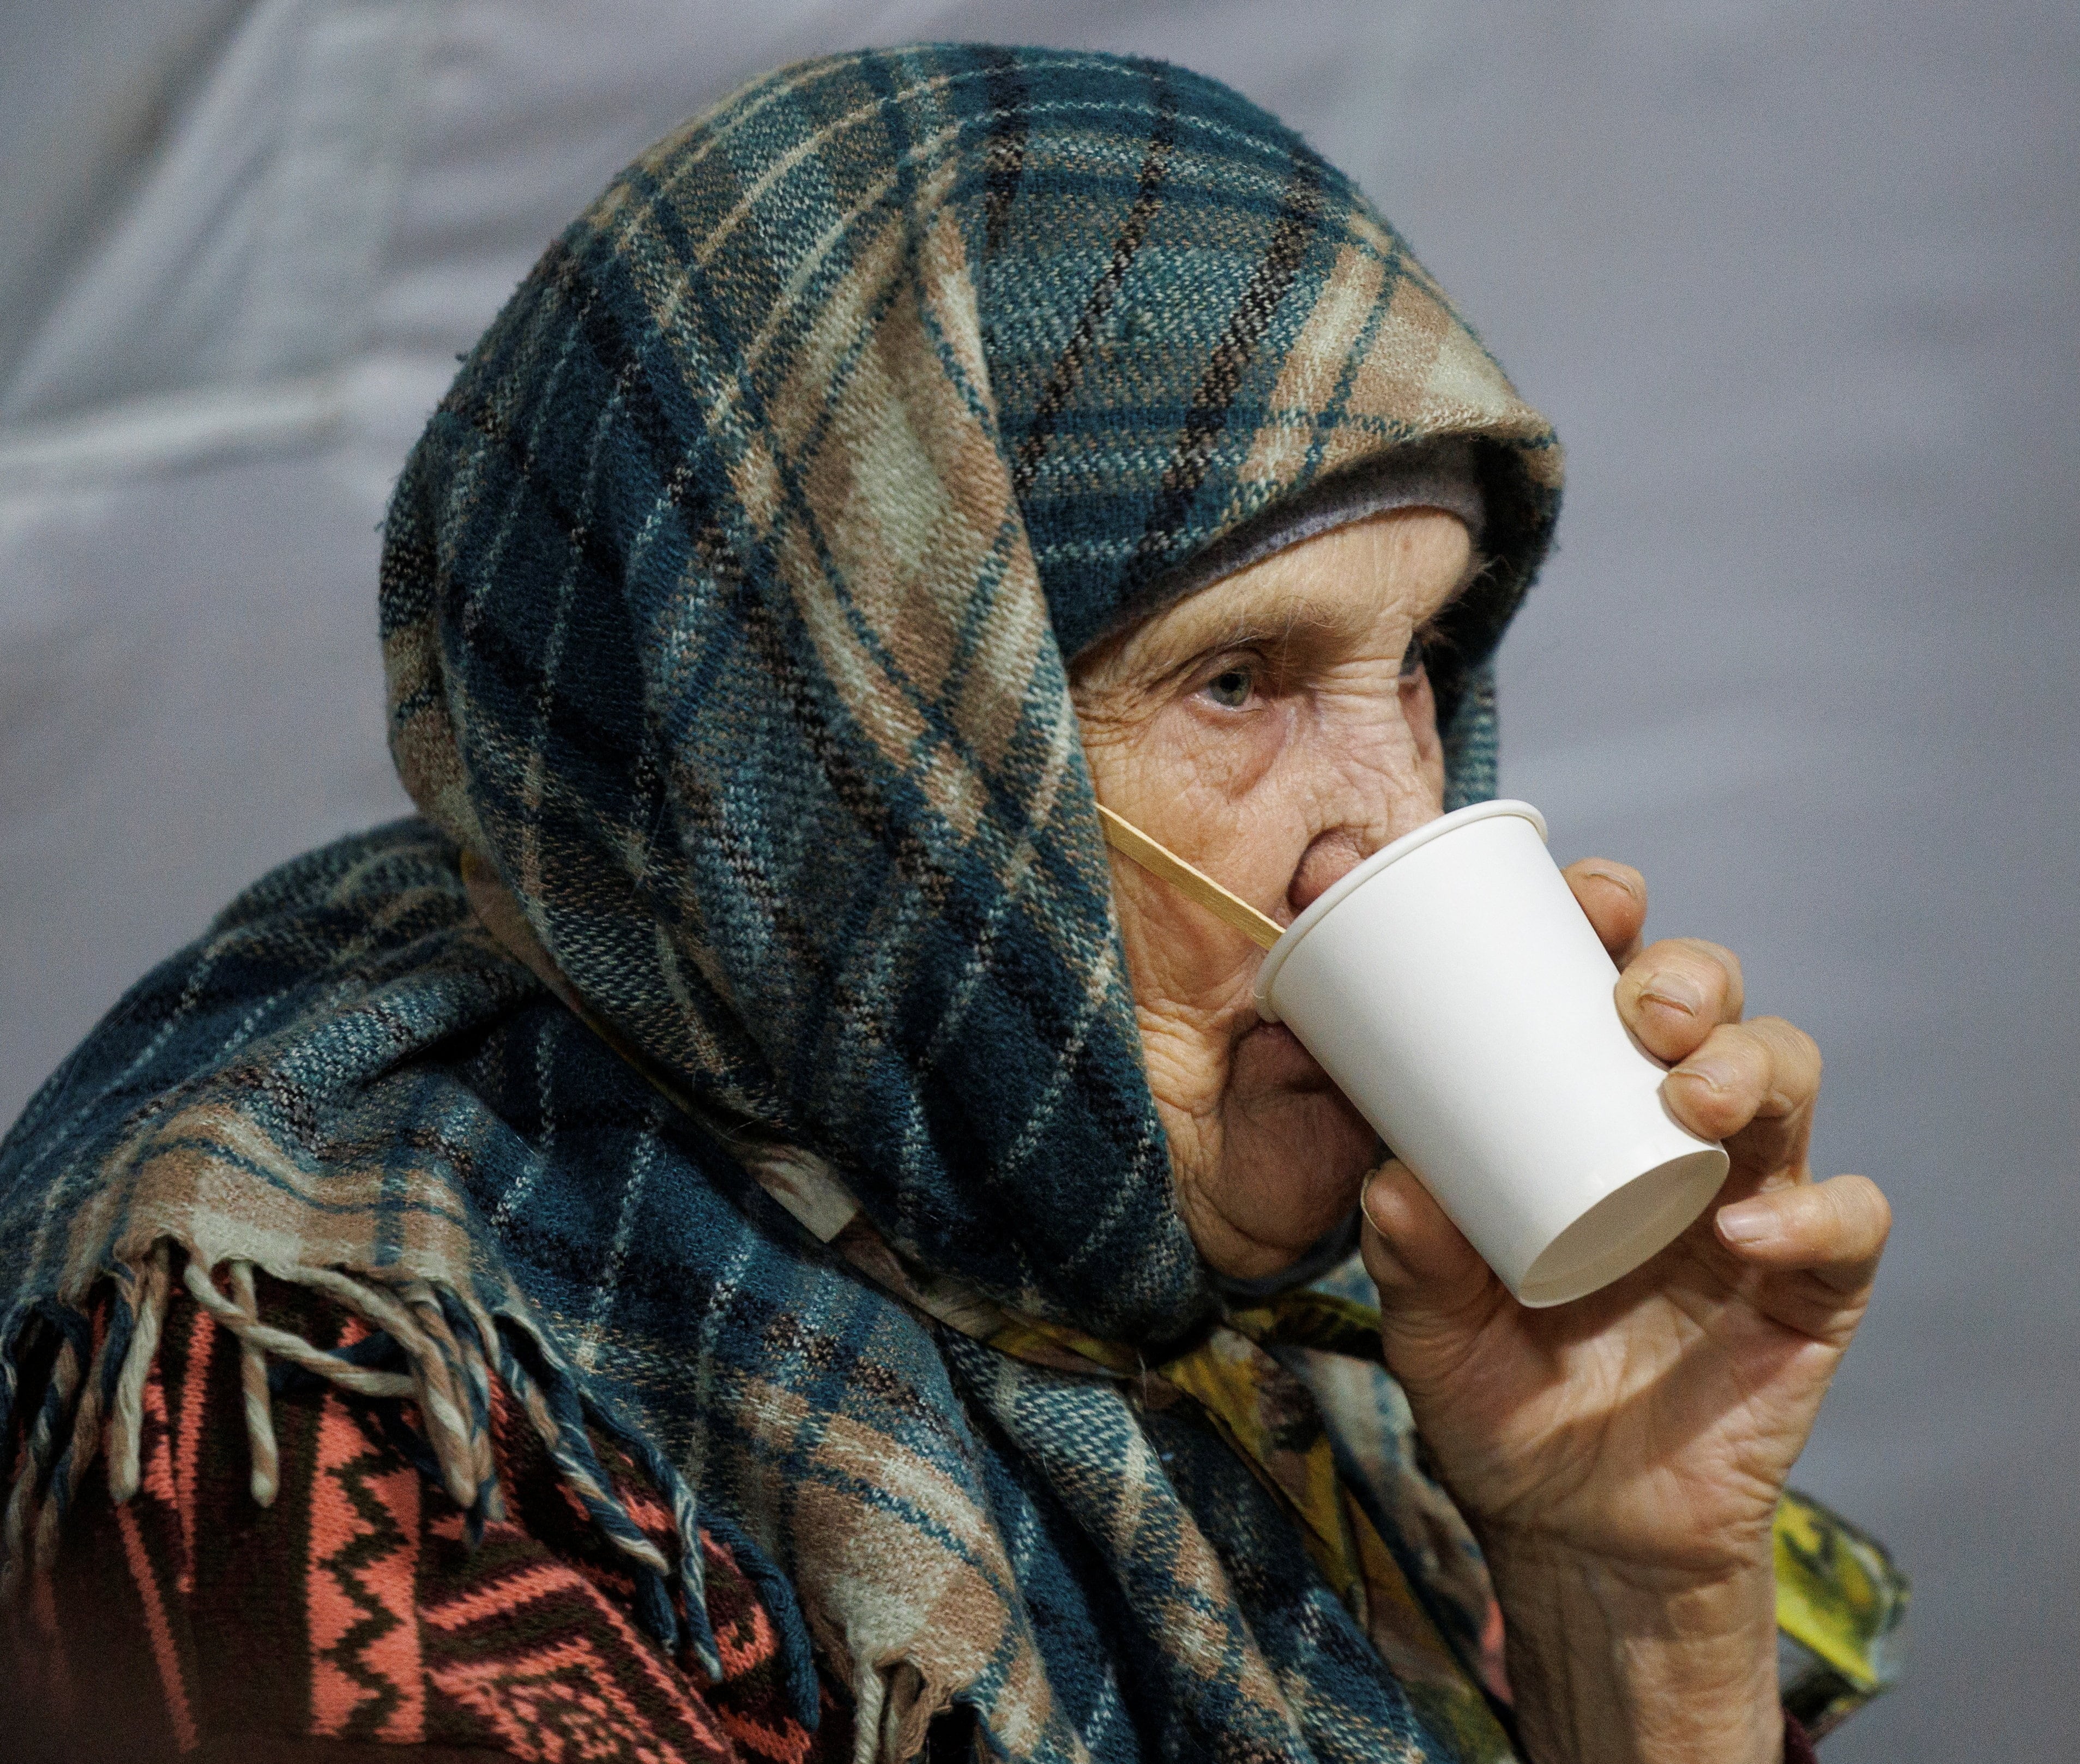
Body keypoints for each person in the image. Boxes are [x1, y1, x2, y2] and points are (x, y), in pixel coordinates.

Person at [0, 45, 1892, 1764]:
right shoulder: (359, 1435)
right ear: (836, 736)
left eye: (1424, 667)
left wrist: (1629, 1603)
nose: (1387, 825)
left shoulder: (1339, 1407)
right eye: (1237, 681)